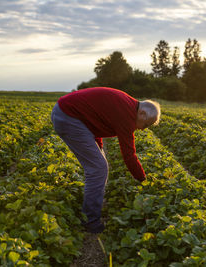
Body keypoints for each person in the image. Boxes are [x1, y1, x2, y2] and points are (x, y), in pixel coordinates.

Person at [50, 87, 161, 234]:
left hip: (68, 113)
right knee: (98, 169)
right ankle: (91, 221)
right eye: (145, 125)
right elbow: (129, 155)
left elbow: (95, 120)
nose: (142, 129)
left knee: (99, 164)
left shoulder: (127, 105)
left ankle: (91, 208)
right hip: (68, 116)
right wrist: (142, 179)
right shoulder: (127, 114)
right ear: (142, 113)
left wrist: (99, 147)